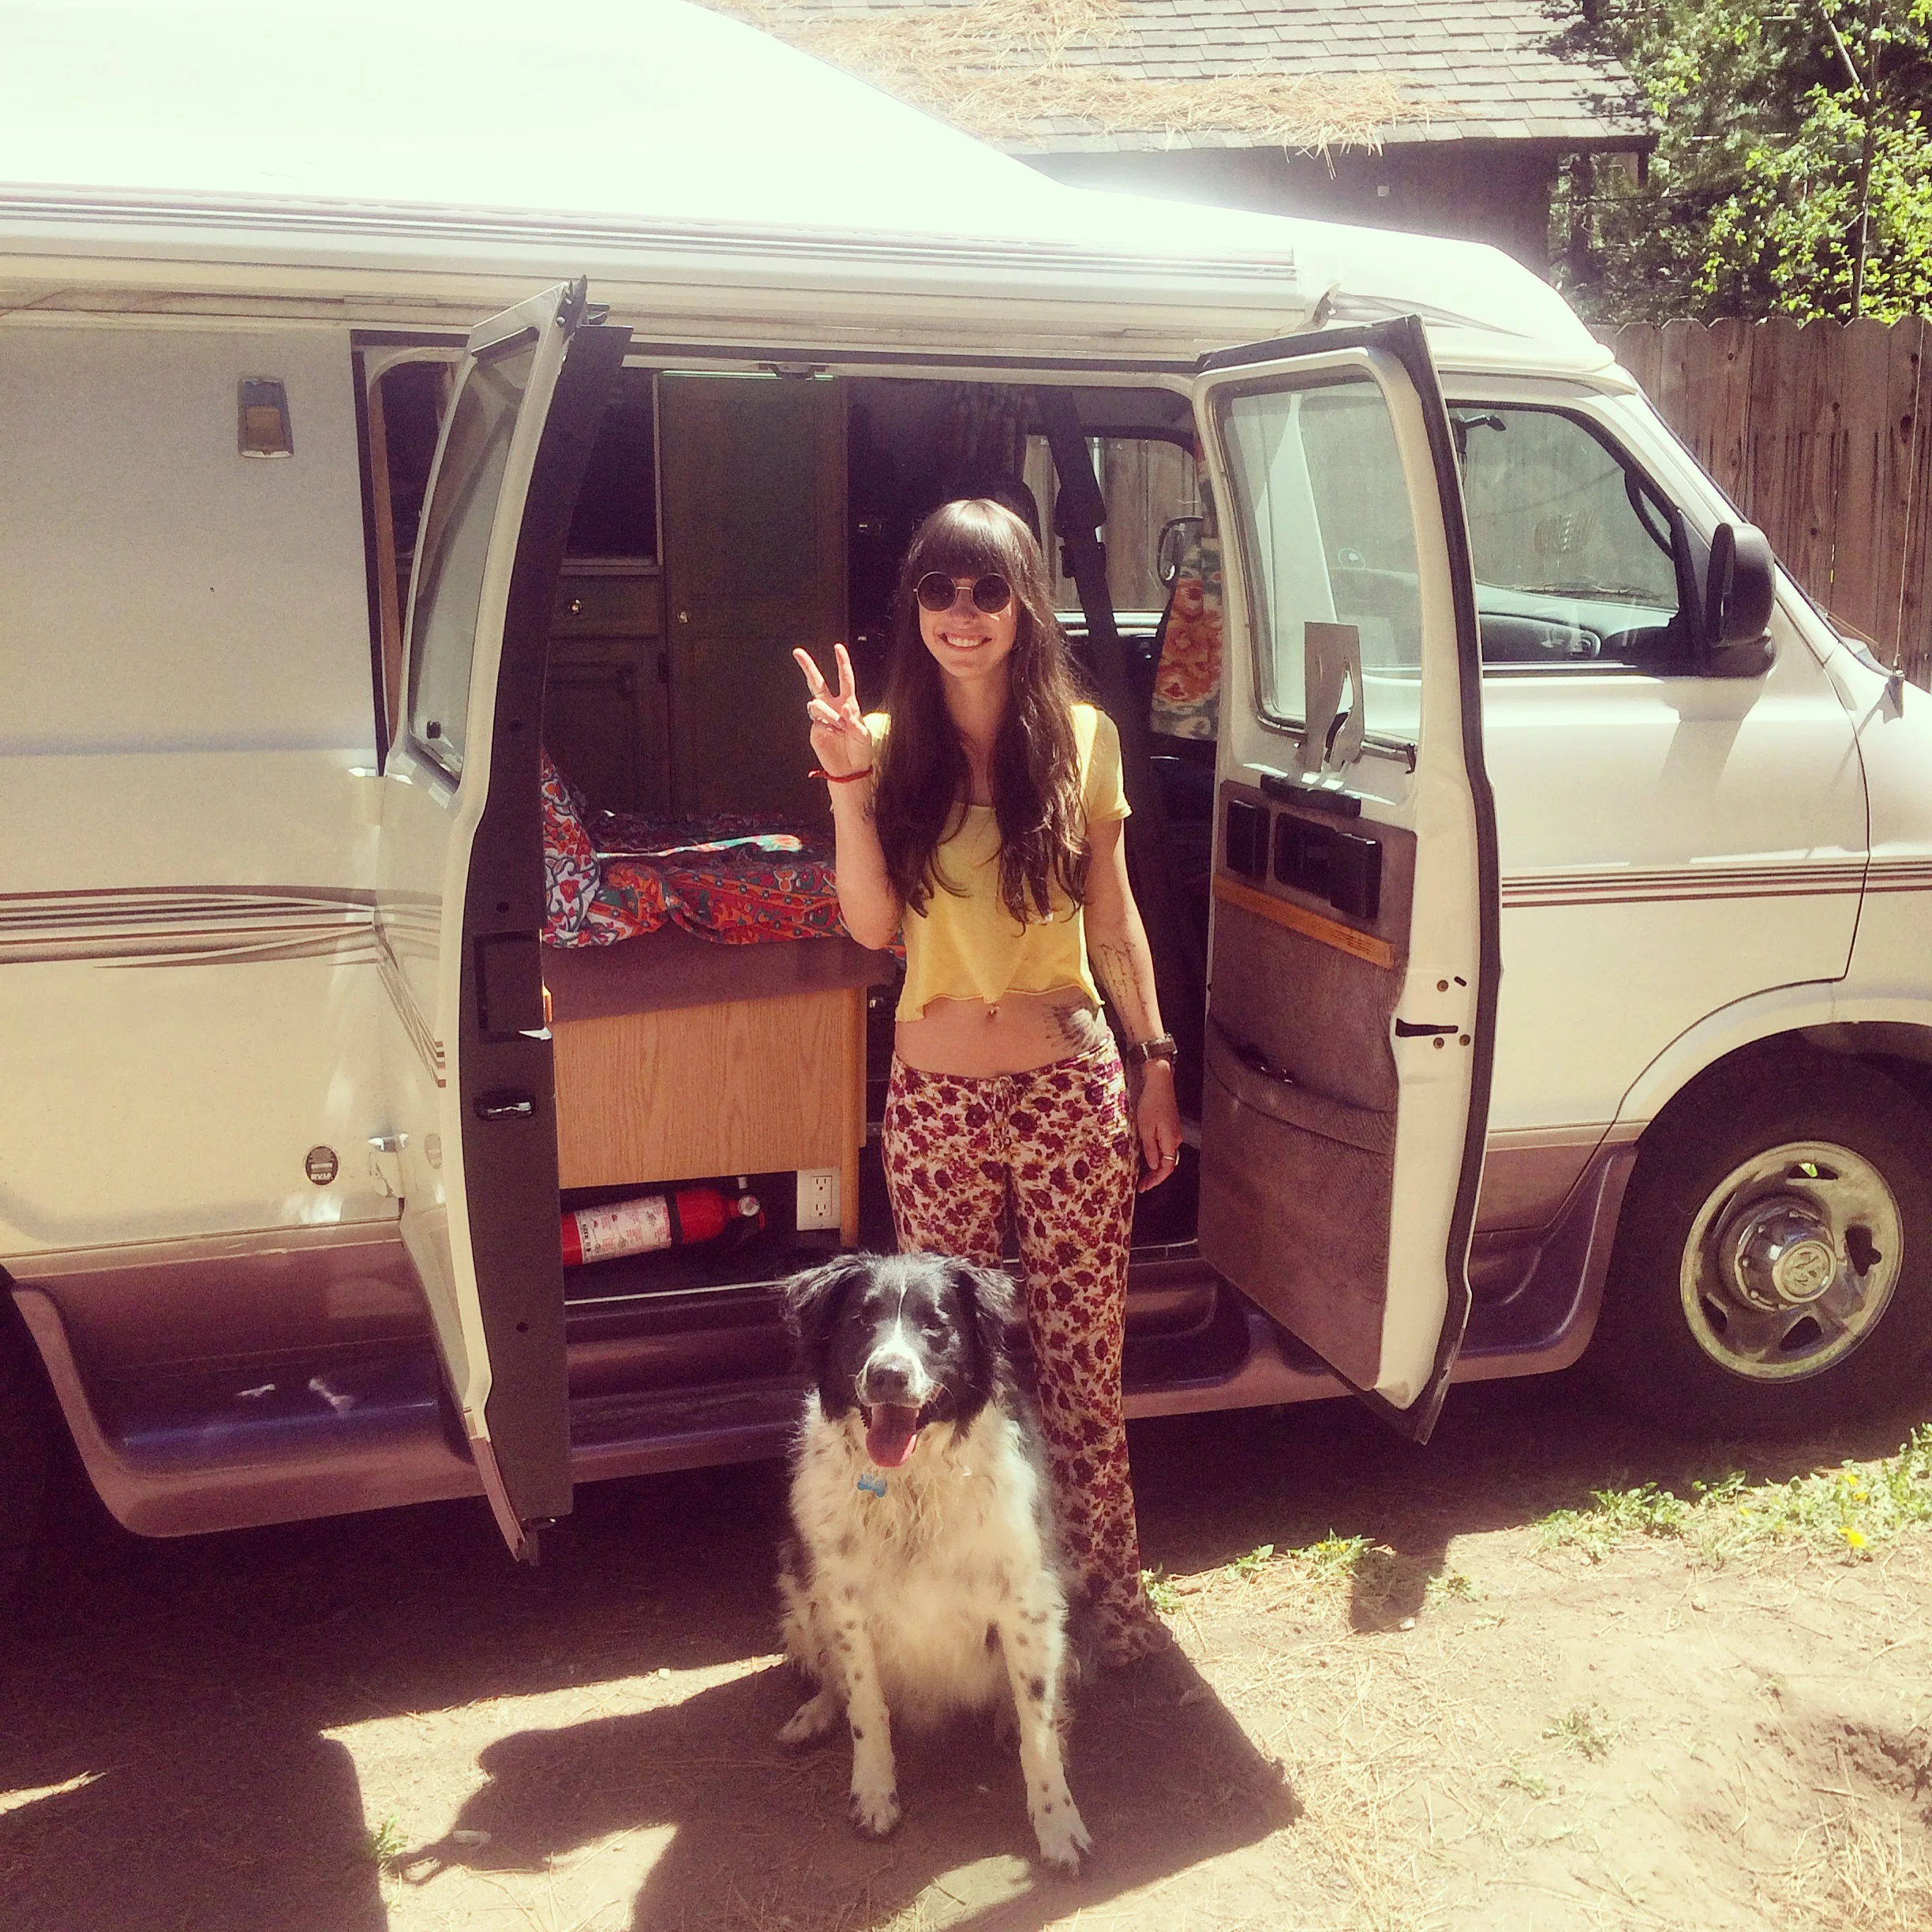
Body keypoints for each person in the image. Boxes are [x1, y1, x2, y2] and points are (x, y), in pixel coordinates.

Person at [792, 497, 1183, 1665]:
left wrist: (1155, 1060)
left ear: (1024, 605)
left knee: (1078, 1364)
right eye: (940, 592)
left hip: (1071, 1089)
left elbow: (1111, 921)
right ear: (915, 608)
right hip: (939, 1104)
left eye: (988, 592)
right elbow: (871, 926)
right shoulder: (874, 739)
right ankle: (954, 1621)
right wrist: (846, 783)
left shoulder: (1080, 737)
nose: (963, 617)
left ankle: (1108, 1605)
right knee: (938, 1385)